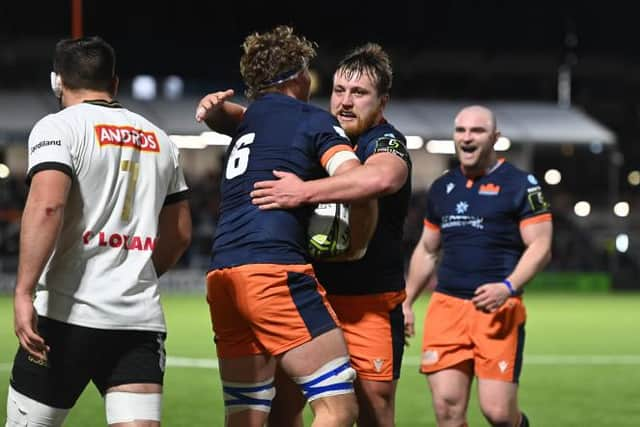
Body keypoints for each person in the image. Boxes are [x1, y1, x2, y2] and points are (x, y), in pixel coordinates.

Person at [198, 43, 412, 426]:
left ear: (382, 102)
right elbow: (256, 118)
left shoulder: (382, 140)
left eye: (359, 93)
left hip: (368, 302)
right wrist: (215, 111)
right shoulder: (313, 127)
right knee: (284, 409)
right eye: (339, 91)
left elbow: (381, 177)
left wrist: (304, 191)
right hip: (310, 294)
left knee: (374, 412)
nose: (345, 102)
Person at [5, 36, 192, 427]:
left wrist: (23, 292)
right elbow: (179, 235)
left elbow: (48, 205)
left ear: (58, 82)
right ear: (115, 83)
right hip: (137, 322)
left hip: (65, 316)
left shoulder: (58, 127)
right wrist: (135, 275)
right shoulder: (160, 139)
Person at [403, 105, 553, 427]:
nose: (467, 138)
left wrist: (508, 286)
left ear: (495, 138)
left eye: (477, 131)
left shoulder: (520, 184)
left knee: (498, 412)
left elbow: (541, 246)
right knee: (447, 409)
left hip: (497, 308)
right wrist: (406, 301)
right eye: (461, 131)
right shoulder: (442, 187)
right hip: (446, 308)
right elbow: (427, 250)